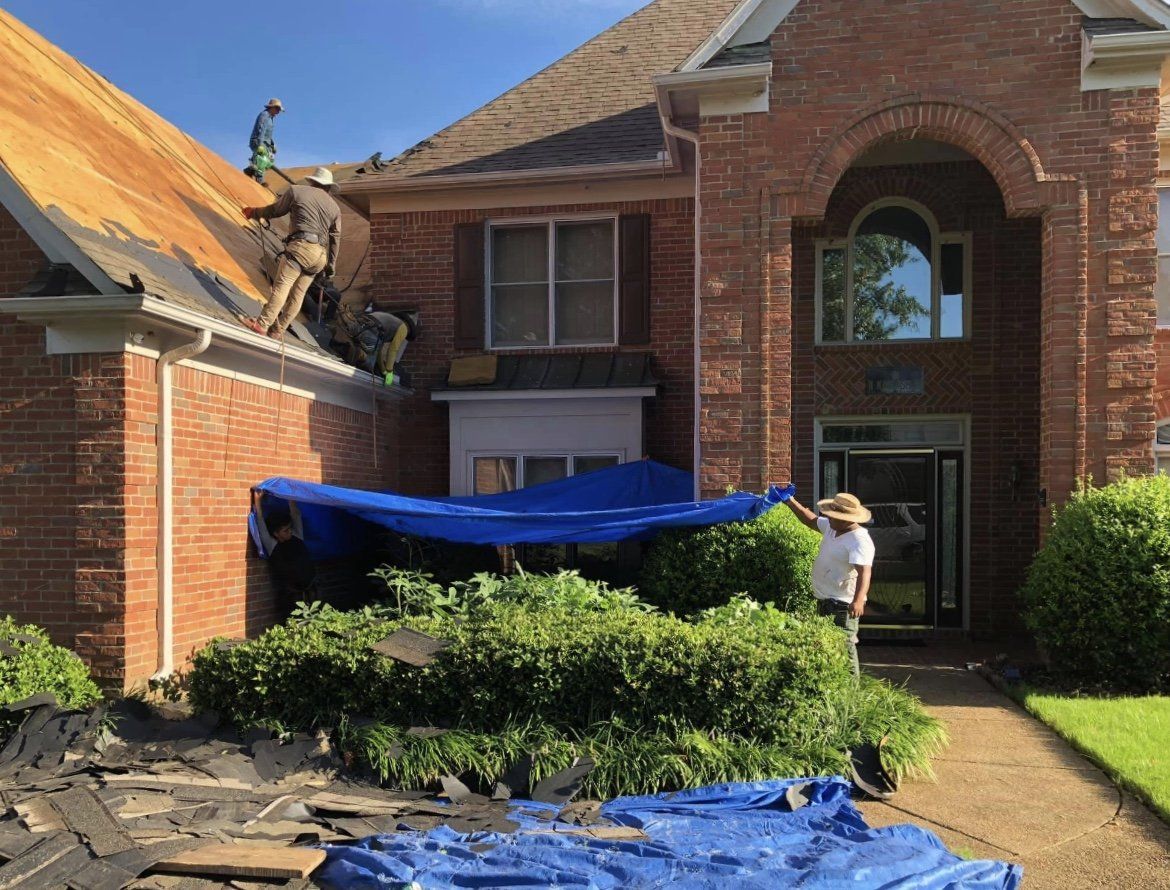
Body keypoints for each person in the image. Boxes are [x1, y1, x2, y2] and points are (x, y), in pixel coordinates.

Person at [777, 487, 874, 677]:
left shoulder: (859, 540)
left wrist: (858, 600)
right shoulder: (832, 527)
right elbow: (811, 520)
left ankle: (850, 692)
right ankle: (831, 682)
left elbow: (865, 573)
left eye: (832, 516)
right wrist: (789, 501)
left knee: (845, 646)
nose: (828, 518)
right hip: (824, 599)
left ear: (848, 519)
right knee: (825, 645)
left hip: (842, 604)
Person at [241, 167, 341, 338]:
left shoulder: (297, 191)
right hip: (319, 257)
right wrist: (330, 266)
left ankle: (262, 324)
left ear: (311, 181)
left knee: (282, 286)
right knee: (298, 295)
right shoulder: (335, 208)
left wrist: (254, 213)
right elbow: (336, 238)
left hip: (301, 247)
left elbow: (275, 211)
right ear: (328, 187)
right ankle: (278, 330)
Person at [252, 490, 317, 618]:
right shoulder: (273, 545)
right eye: (285, 530)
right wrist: (258, 501)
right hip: (292, 596)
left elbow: (295, 514)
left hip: (312, 590)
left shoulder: (297, 536)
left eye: (290, 528)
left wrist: (290, 496)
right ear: (276, 533)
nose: (290, 532)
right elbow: (260, 523)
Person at [247, 99, 282, 182]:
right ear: (272, 107)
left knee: (268, 161)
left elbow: (268, 135)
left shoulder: (271, 118)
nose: (278, 111)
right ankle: (260, 180)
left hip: (265, 144)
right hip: (258, 141)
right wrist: (259, 145)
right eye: (277, 109)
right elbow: (261, 130)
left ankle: (249, 171)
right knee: (262, 160)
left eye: (279, 110)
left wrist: (272, 145)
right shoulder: (265, 115)